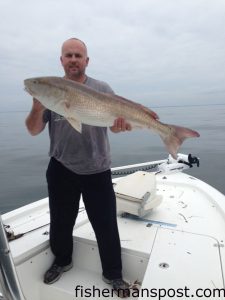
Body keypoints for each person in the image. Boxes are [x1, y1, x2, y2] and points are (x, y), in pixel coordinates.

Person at [25, 38, 133, 297]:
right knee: (60, 222)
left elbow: (115, 124)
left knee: (105, 224)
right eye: (68, 55)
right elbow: (33, 130)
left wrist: (121, 126)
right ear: (61, 60)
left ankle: (114, 274)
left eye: (78, 55)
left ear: (86, 61)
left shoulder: (101, 88)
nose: (73, 59)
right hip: (61, 166)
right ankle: (62, 261)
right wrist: (37, 104)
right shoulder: (50, 91)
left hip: (97, 168)